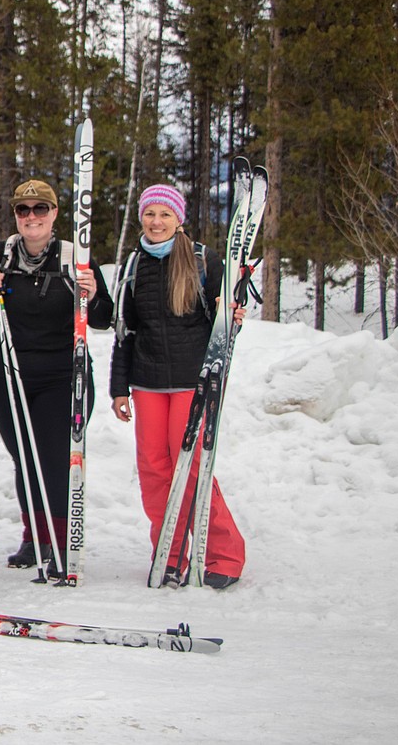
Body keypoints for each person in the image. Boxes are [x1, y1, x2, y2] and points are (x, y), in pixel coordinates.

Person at [0, 179, 113, 574]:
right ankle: (34, 537)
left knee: (56, 459)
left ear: (55, 214)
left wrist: (92, 292)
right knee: (25, 457)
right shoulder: (0, 255)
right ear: (15, 215)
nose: (32, 217)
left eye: (40, 209)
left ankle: (60, 542)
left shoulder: (73, 257)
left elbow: (104, 318)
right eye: (23, 210)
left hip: (62, 374)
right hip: (7, 372)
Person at [110, 184, 246, 589]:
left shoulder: (204, 260)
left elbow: (227, 319)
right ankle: (169, 553)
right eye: (150, 214)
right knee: (154, 470)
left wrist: (232, 317)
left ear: (178, 219)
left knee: (191, 469)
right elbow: (125, 332)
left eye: (164, 214)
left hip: (192, 381)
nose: (156, 222)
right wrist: (120, 389)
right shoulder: (133, 266)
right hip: (147, 383)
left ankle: (223, 554)